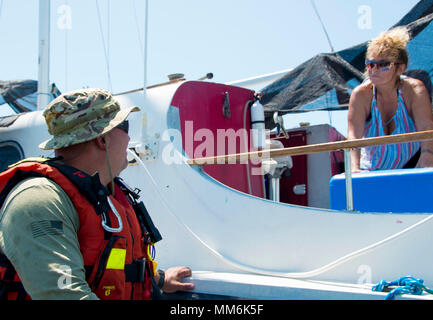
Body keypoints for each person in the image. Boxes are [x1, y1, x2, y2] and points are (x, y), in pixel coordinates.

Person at [0, 88, 194, 300]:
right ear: (102, 139)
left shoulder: (104, 194)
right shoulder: (39, 201)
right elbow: (63, 294)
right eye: (124, 127)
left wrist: (159, 280)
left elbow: (113, 261)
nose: (129, 138)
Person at [347, 26, 433, 171]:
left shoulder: (414, 90)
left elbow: (426, 128)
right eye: (371, 64)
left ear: (400, 68)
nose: (374, 70)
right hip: (371, 170)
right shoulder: (360, 95)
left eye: (383, 65)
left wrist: (427, 157)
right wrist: (354, 169)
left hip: (413, 165)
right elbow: (353, 137)